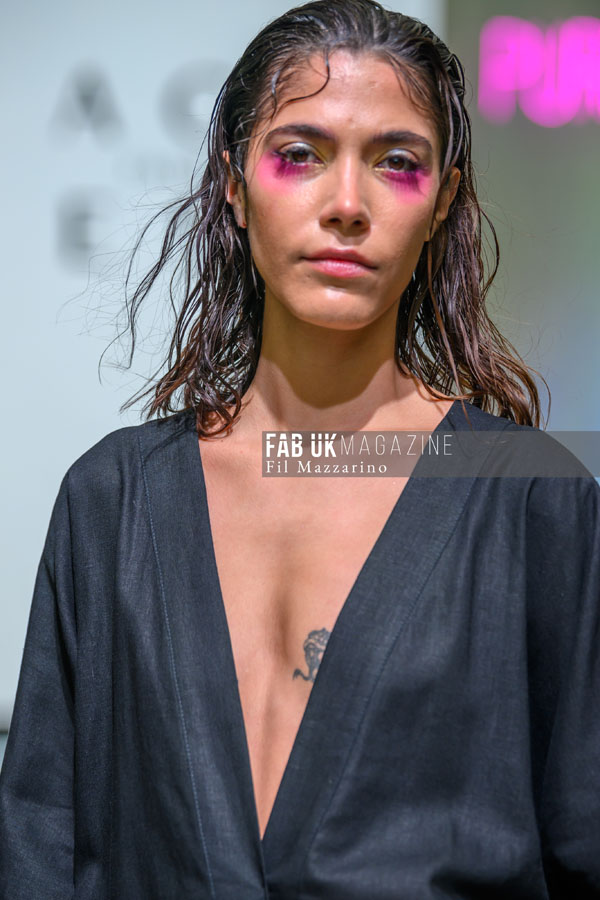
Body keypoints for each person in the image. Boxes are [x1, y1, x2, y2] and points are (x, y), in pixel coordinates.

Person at [1, 1, 599, 897]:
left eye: (397, 163)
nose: (347, 205)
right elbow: (39, 844)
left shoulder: (535, 502)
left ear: (441, 203)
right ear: (235, 186)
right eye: (301, 154)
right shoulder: (113, 500)